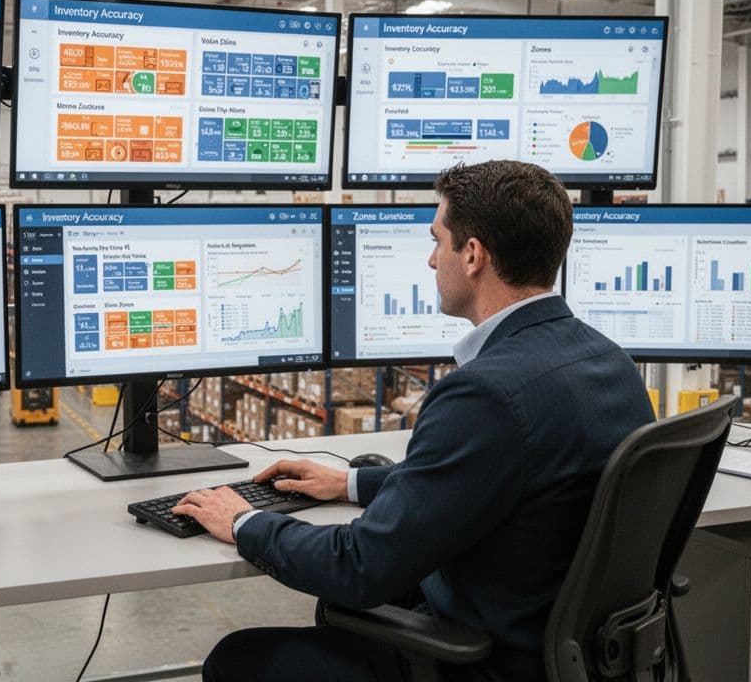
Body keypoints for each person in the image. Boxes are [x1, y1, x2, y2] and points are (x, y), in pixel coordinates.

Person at [172, 160, 656, 682]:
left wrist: (243, 521)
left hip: (483, 662)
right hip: (570, 650)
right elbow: (494, 478)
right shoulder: (611, 362)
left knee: (236, 659)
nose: (430, 259)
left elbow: (358, 567)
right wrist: (350, 482)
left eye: (436, 240)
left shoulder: (485, 393)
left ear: (472, 255)